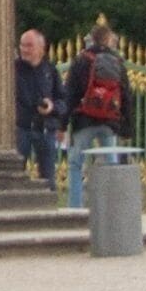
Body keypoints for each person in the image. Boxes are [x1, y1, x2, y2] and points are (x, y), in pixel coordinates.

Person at [61, 27, 131, 209]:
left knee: (76, 164)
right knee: (110, 164)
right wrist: (126, 127)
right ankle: (111, 207)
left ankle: (75, 206)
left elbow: (70, 94)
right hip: (109, 121)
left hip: (84, 120)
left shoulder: (81, 60)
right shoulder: (117, 61)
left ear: (92, 39)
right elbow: (125, 95)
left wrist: (62, 124)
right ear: (108, 40)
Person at [13, 28, 63, 185]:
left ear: (41, 48)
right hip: (21, 128)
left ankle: (49, 199)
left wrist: (52, 107)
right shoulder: (13, 69)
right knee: (14, 175)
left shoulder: (50, 70)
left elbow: (62, 99)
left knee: (48, 178)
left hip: (45, 128)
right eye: (22, 45)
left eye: (29, 46)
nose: (24, 49)